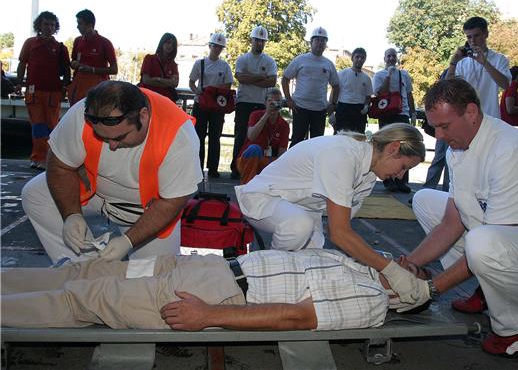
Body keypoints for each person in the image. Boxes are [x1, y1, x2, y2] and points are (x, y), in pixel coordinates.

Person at [407, 78, 518, 357]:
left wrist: (428, 289)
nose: (437, 136)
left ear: (471, 112)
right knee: (425, 200)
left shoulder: (511, 149)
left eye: (444, 126)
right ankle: (490, 289)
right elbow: (452, 222)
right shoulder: (458, 148)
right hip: (513, 240)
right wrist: (405, 265)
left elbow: (492, 238)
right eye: (434, 126)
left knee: (484, 243)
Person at [236, 123, 435, 310]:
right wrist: (391, 269)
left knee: (312, 263)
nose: (401, 176)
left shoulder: (367, 177)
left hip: (301, 209)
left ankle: (277, 284)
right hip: (263, 198)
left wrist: (372, 263)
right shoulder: (343, 155)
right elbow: (340, 234)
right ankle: (261, 278)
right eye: (404, 167)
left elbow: (339, 230)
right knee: (298, 226)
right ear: (393, 148)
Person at [1, 249, 431, 331]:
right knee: (90, 272)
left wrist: (208, 316)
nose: (408, 262)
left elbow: (297, 317)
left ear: (406, 294)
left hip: (217, 296)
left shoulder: (371, 300)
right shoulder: (356, 263)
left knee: (86, 299)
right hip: (205, 266)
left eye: (417, 273)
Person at [21, 81, 202, 264]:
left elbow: (172, 202)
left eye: (119, 137)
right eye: (102, 137)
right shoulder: (81, 114)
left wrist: (128, 241)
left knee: (152, 283)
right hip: (95, 193)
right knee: (36, 194)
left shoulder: (179, 136)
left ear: (143, 116)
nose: (112, 145)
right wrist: (71, 215)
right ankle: (84, 268)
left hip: (146, 211)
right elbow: (59, 164)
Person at [14, 11, 71, 170]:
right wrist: (19, 83)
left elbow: (66, 71)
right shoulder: (30, 43)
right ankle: (38, 157)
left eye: (52, 25)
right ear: (39, 25)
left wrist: (65, 87)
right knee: (38, 126)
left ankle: (50, 158)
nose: (49, 27)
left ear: (56, 28)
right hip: (33, 91)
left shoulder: (60, 48)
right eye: (46, 24)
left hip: (54, 92)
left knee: (52, 126)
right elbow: (22, 64)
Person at [230, 26, 278, 179]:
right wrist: (260, 77)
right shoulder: (243, 59)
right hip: (244, 102)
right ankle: (235, 167)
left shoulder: (269, 61)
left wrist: (251, 78)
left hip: (260, 103)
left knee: (260, 137)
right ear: (251, 40)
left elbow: (271, 82)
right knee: (240, 135)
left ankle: (256, 167)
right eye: (257, 40)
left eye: (262, 41)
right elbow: (240, 78)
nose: (259, 43)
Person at [282, 27, 339, 147]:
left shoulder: (328, 64)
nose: (320, 43)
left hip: (320, 110)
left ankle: (313, 166)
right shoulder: (300, 60)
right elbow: (285, 79)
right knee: (297, 140)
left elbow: (336, 85)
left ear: (325, 44)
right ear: (311, 42)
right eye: (317, 40)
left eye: (323, 41)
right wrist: (288, 99)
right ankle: (292, 165)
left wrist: (332, 104)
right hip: (300, 107)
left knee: (317, 144)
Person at [446, 16, 510, 119]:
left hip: (491, 116)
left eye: (476, 35)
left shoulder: (499, 59)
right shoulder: (462, 61)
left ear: (486, 34)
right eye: (469, 37)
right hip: (466, 117)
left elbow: (506, 85)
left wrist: (485, 63)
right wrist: (453, 63)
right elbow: (448, 88)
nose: (473, 41)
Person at [189, 33, 233, 178]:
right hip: (200, 104)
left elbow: (228, 84)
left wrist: (215, 92)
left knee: (215, 137)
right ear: (210, 46)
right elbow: (191, 82)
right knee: (199, 137)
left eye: (220, 47)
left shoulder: (225, 66)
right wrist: (198, 92)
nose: (217, 49)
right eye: (215, 46)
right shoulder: (199, 63)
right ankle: (198, 168)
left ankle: (213, 169)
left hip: (216, 107)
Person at [372, 48, 416, 193]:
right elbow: (379, 93)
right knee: (386, 147)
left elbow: (409, 94)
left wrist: (413, 112)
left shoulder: (404, 74)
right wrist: (389, 76)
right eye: (388, 56)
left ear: (396, 58)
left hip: (402, 113)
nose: (391, 58)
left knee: (404, 147)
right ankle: (388, 179)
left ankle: (402, 181)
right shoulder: (379, 75)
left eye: (393, 56)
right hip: (386, 114)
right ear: (384, 58)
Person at [236, 87, 290, 184]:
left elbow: (281, 153)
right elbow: (251, 136)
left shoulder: (284, 125)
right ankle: (247, 185)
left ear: (281, 104)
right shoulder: (255, 115)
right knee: (254, 149)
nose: (273, 104)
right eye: (270, 101)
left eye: (277, 101)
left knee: (280, 162)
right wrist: (266, 115)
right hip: (248, 159)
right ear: (265, 103)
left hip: (267, 160)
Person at [68, 9, 118, 105]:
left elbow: (114, 69)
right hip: (78, 86)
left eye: (80, 23)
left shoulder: (105, 43)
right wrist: (74, 64)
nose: (77, 26)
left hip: (97, 88)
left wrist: (92, 69)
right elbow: (73, 61)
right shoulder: (78, 41)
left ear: (90, 25)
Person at [330, 47, 372, 134]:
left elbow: (368, 97)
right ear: (352, 58)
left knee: (358, 139)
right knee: (340, 138)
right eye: (357, 57)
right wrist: (330, 113)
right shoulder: (341, 74)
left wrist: (366, 106)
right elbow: (334, 92)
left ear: (365, 59)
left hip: (359, 111)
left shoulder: (367, 78)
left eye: (362, 57)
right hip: (343, 109)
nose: (359, 59)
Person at [139, 33, 179, 102]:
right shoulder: (149, 59)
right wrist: (167, 82)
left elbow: (175, 83)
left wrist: (157, 79)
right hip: (148, 99)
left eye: (173, 45)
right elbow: (146, 80)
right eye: (168, 43)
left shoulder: (173, 64)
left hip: (165, 101)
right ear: (162, 43)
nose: (170, 46)